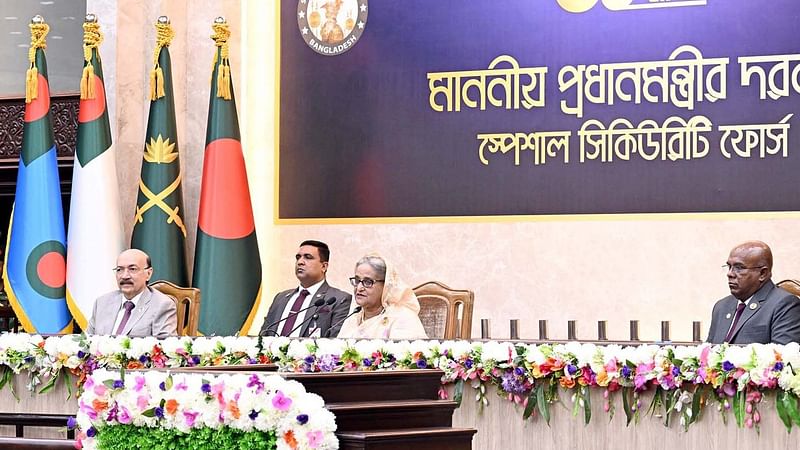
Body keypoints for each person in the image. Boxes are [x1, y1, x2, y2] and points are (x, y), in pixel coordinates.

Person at [707, 241, 800, 345]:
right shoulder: (721, 306)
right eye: (729, 267)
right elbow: (707, 354)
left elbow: (781, 357)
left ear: (762, 274)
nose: (730, 274)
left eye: (739, 268)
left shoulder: (785, 305)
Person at [259, 240, 351, 337]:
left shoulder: (338, 299)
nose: (300, 262)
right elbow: (262, 337)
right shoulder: (281, 298)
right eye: (298, 257)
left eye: (308, 257)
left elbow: (335, 341)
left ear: (324, 266)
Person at [86, 249, 177, 338]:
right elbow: (86, 343)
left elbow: (163, 348)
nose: (125, 276)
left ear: (148, 274)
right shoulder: (102, 302)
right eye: (119, 270)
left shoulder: (162, 305)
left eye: (132, 269)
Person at [338, 254, 428, 340]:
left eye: (368, 282)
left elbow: (404, 354)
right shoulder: (353, 318)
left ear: (386, 285)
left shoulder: (402, 318)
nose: (359, 288)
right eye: (357, 280)